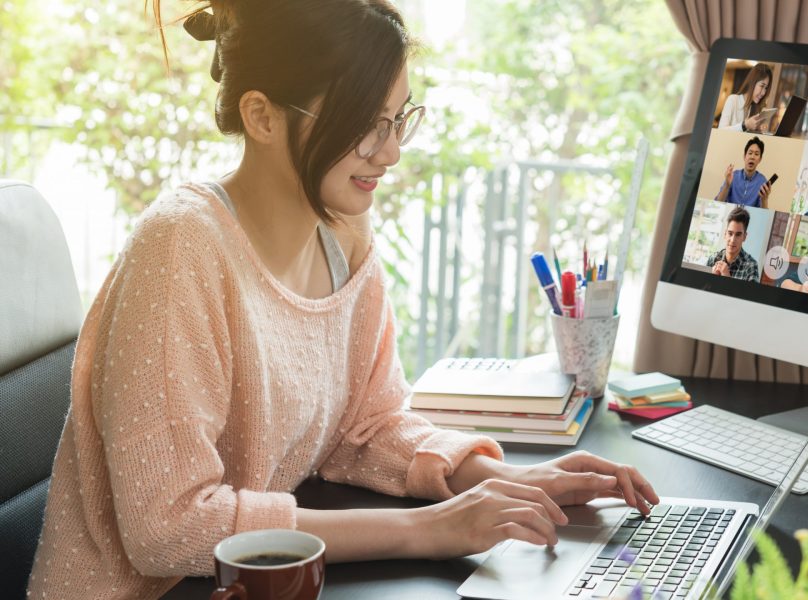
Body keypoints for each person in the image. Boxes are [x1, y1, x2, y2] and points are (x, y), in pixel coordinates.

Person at [27, 2, 659, 598]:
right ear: (262, 116)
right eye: (365, 125)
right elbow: (169, 528)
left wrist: (507, 481)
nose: (391, 152)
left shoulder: (343, 236)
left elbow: (366, 425)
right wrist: (431, 530)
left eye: (397, 119)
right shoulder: (180, 249)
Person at [715, 136, 773, 208]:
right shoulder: (733, 176)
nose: (752, 157)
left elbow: (763, 213)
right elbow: (718, 203)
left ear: (760, 159)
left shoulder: (762, 181)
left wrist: (765, 199)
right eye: (750, 153)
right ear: (744, 156)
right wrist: (727, 185)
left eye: (756, 154)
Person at [706, 206, 760, 281]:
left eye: (738, 235)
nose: (732, 240)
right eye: (730, 233)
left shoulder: (751, 266)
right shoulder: (712, 259)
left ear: (744, 237)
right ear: (725, 234)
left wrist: (727, 279)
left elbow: (750, 293)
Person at [718, 63, 773, 133]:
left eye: (766, 88)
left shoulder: (753, 108)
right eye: (762, 86)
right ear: (752, 82)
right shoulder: (733, 100)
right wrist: (745, 125)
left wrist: (757, 130)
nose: (763, 93)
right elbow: (720, 131)